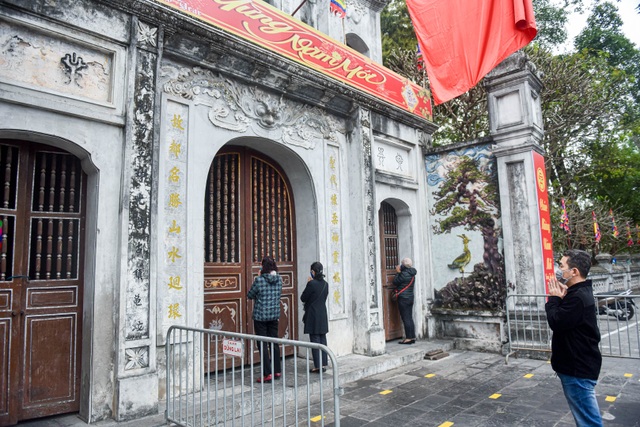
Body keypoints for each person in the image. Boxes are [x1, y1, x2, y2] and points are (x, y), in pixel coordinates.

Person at [545, 249, 603, 426]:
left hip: (577, 367)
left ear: (574, 271)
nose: (559, 270)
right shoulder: (577, 293)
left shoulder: (578, 297)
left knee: (588, 421)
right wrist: (561, 297)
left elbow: (557, 321)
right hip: (579, 364)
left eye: (562, 266)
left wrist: (554, 298)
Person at [247, 256, 283, 383]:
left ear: (263, 267)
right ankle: (277, 371)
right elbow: (279, 293)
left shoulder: (259, 280)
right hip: (274, 315)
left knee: (262, 344)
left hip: (261, 316)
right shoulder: (279, 279)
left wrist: (258, 277)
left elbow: (250, 295)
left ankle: (267, 373)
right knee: (274, 342)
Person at [300, 261, 329, 373]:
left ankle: (318, 366)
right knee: (322, 339)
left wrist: (308, 283)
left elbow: (303, 298)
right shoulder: (326, 284)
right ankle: (324, 363)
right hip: (322, 313)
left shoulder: (312, 284)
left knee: (315, 340)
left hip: (313, 314)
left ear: (313, 271)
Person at [392, 257, 417, 345]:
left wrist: (398, 273)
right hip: (410, 297)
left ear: (404, 265)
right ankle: (412, 336)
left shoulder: (404, 274)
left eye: (401, 264)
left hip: (403, 298)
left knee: (405, 318)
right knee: (409, 317)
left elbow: (395, 282)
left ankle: (408, 338)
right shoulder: (412, 273)